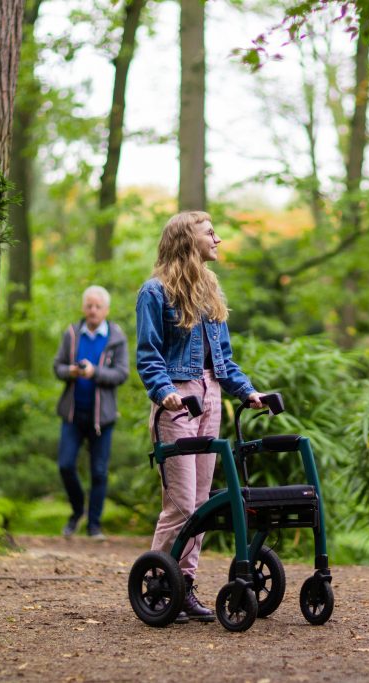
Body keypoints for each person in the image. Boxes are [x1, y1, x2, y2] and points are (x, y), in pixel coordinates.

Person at [136, 210, 264, 623]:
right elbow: (148, 355)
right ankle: (160, 585)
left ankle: (184, 586)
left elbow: (223, 361)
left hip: (209, 397)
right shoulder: (154, 293)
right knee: (181, 504)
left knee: (203, 504)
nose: (218, 239)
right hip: (178, 398)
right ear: (186, 239)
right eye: (210, 233)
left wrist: (247, 391)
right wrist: (165, 393)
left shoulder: (209, 289)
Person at [53, 285, 129, 540]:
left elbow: (122, 373)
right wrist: (71, 372)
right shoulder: (72, 334)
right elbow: (58, 367)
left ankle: (94, 525)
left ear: (106, 310)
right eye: (89, 305)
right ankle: (77, 511)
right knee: (65, 465)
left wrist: (94, 372)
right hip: (74, 414)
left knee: (99, 472)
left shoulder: (116, 337)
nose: (93, 310)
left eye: (98, 306)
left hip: (102, 418)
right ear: (83, 308)